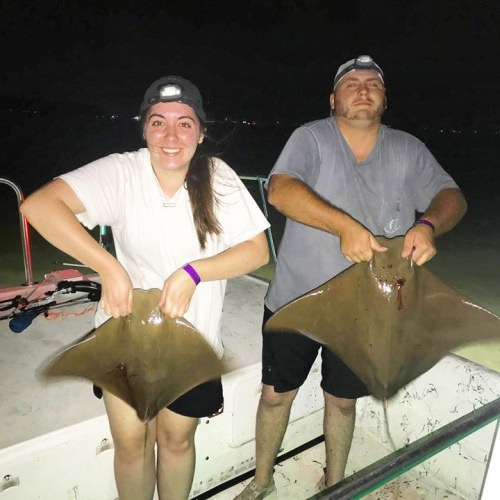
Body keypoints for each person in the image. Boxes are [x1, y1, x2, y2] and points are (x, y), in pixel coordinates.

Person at [21, 75, 270, 500]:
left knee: (176, 441)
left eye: (184, 123)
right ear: (144, 128)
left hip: (191, 341)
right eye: (158, 122)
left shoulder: (218, 176)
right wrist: (108, 267)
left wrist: (195, 273)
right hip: (124, 339)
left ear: (201, 131)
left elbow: (257, 251)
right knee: (132, 446)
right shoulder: (122, 171)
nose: (171, 135)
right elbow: (38, 206)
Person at [235, 55, 467, 499]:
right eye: (351, 83)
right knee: (275, 396)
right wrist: (343, 226)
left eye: (373, 84)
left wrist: (429, 225)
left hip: (368, 309)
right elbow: (280, 189)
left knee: (342, 401)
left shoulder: (407, 148)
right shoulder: (311, 138)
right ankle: (261, 481)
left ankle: (335, 484)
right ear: (333, 98)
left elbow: (452, 196)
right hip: (298, 301)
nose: (362, 90)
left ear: (384, 99)